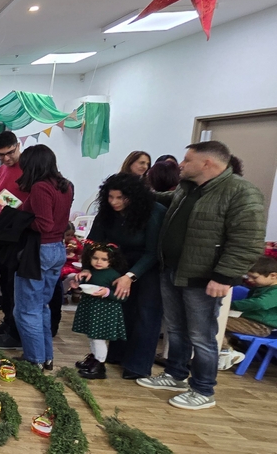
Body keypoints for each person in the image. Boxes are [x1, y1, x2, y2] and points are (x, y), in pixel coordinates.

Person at [137, 141, 266, 411]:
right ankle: (175, 375)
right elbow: (168, 202)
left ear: (207, 163)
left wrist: (224, 276)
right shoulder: (187, 188)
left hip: (205, 279)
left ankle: (203, 390)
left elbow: (247, 241)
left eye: (187, 159)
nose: (180, 165)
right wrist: (136, 192)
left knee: (202, 336)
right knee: (176, 330)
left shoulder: (241, 192)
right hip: (172, 270)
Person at [84, 173, 166, 379]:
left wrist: (130, 276)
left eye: (120, 198)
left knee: (145, 314)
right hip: (117, 263)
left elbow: (153, 252)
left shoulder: (153, 212)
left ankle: (138, 366)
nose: (114, 202)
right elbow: (93, 242)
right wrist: (87, 267)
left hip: (148, 267)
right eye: (110, 197)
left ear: (134, 196)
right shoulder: (107, 212)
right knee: (120, 310)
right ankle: (116, 355)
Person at [13, 144, 73, 370]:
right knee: (41, 307)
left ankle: (34, 360)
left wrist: (20, 220)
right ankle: (45, 357)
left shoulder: (40, 187)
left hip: (39, 251)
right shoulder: (66, 185)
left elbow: (44, 224)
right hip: (57, 249)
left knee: (26, 309)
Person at [0, 132, 30, 350]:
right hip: (2, 230)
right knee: (4, 281)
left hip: (19, 231)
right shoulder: (2, 169)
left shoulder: (29, 168)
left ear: (18, 145)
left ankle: (16, 332)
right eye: (0, 155)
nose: (6, 158)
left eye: (9, 153)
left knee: (14, 284)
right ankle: (7, 321)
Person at [72, 243, 128, 380]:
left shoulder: (114, 275)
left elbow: (123, 297)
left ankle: (100, 364)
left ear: (112, 260)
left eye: (104, 259)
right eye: (95, 258)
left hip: (105, 312)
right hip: (92, 310)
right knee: (92, 337)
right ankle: (94, 359)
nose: (98, 262)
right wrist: (77, 283)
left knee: (98, 339)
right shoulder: (90, 272)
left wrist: (107, 292)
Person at [221, 256, 277, 368]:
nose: (250, 280)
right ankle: (222, 352)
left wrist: (229, 305)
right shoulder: (261, 286)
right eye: (248, 276)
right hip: (249, 320)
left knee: (216, 322)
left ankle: (225, 351)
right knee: (216, 322)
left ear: (273, 275)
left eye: (254, 277)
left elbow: (260, 303)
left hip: (260, 326)